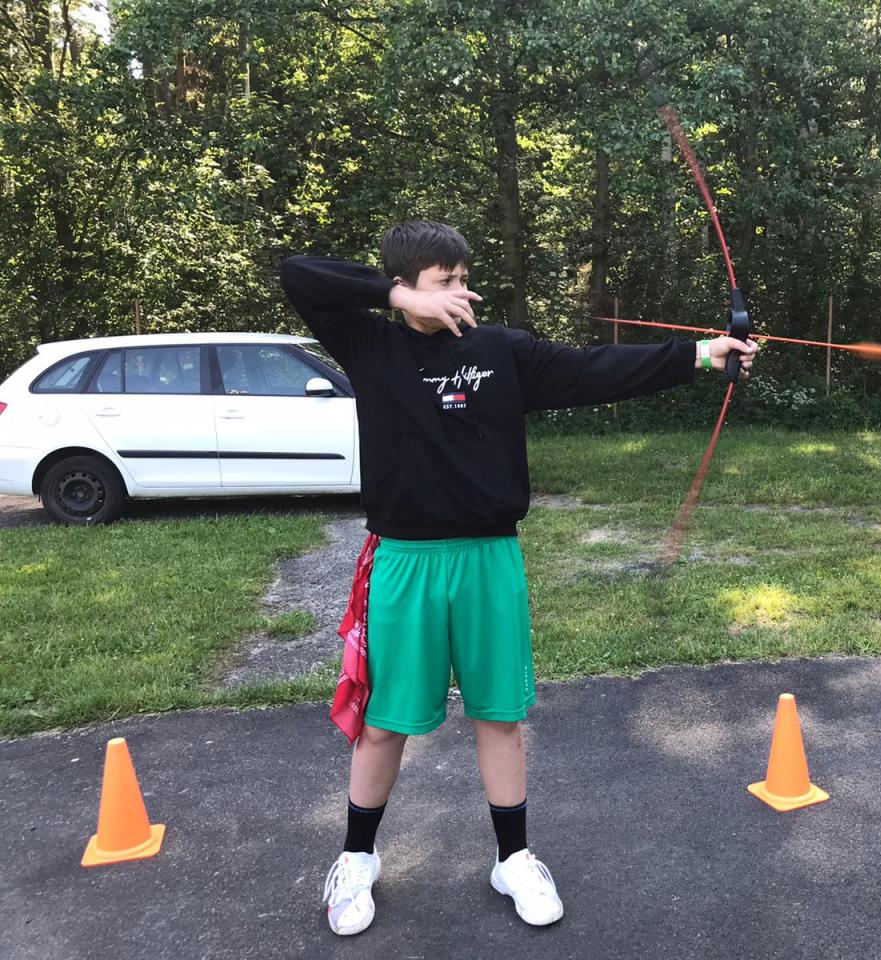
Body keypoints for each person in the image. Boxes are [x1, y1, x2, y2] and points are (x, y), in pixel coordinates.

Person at [280, 220, 756, 936]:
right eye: (445, 282)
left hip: (489, 559)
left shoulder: (499, 350)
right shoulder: (371, 344)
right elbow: (298, 273)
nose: (461, 293)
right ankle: (356, 859)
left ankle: (514, 858)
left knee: (499, 716)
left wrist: (701, 353)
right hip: (405, 562)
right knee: (384, 725)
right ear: (406, 285)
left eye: (463, 279)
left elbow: (596, 369)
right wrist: (398, 297)